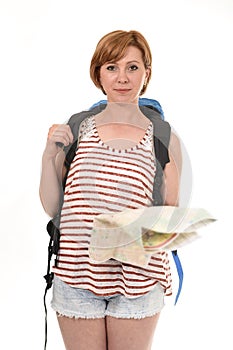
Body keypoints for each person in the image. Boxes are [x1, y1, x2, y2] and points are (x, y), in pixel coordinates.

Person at [39, 30, 182, 350]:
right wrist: (49, 155)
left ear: (146, 73)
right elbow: (52, 207)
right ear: (98, 73)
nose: (122, 78)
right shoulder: (77, 126)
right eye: (112, 67)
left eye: (133, 67)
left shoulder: (162, 134)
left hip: (139, 278)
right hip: (76, 275)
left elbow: (172, 215)